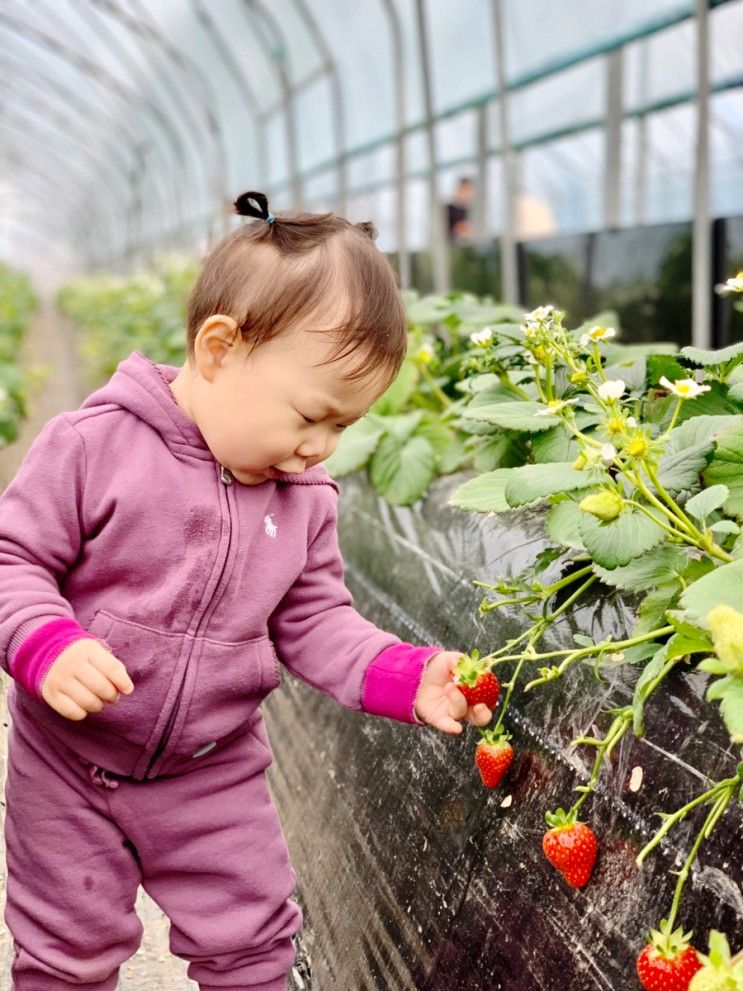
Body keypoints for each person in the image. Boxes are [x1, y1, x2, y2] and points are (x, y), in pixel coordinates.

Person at [0, 191, 493, 991]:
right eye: (311, 415)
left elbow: (317, 620)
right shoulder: (93, 446)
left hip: (211, 768)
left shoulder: (305, 499)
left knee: (254, 946)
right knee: (67, 953)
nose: (319, 447)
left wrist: (405, 674)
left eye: (344, 426)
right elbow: (11, 556)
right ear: (220, 347)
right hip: (70, 762)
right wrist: (46, 643)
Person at [446, 176, 475, 242]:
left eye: (469, 190)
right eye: (465, 189)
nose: (467, 194)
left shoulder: (468, 213)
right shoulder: (447, 210)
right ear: (458, 189)